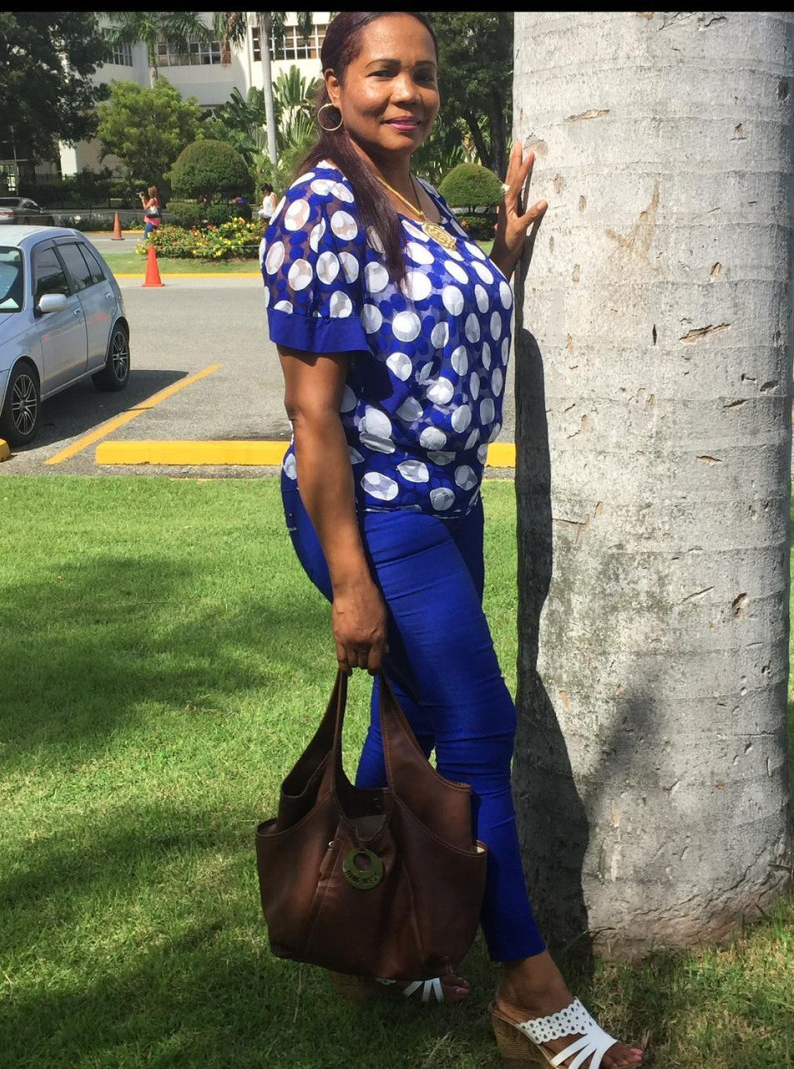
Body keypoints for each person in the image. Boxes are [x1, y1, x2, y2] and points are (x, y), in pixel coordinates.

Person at [261, 11, 644, 1069]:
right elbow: (312, 415)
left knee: (414, 721)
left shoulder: (418, 200)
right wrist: (350, 582)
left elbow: (424, 329)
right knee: (477, 730)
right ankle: (530, 993)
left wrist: (497, 257)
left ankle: (366, 937)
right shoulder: (320, 206)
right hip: (377, 515)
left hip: (448, 507)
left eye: (423, 75)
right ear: (333, 87)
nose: (408, 92)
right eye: (382, 72)